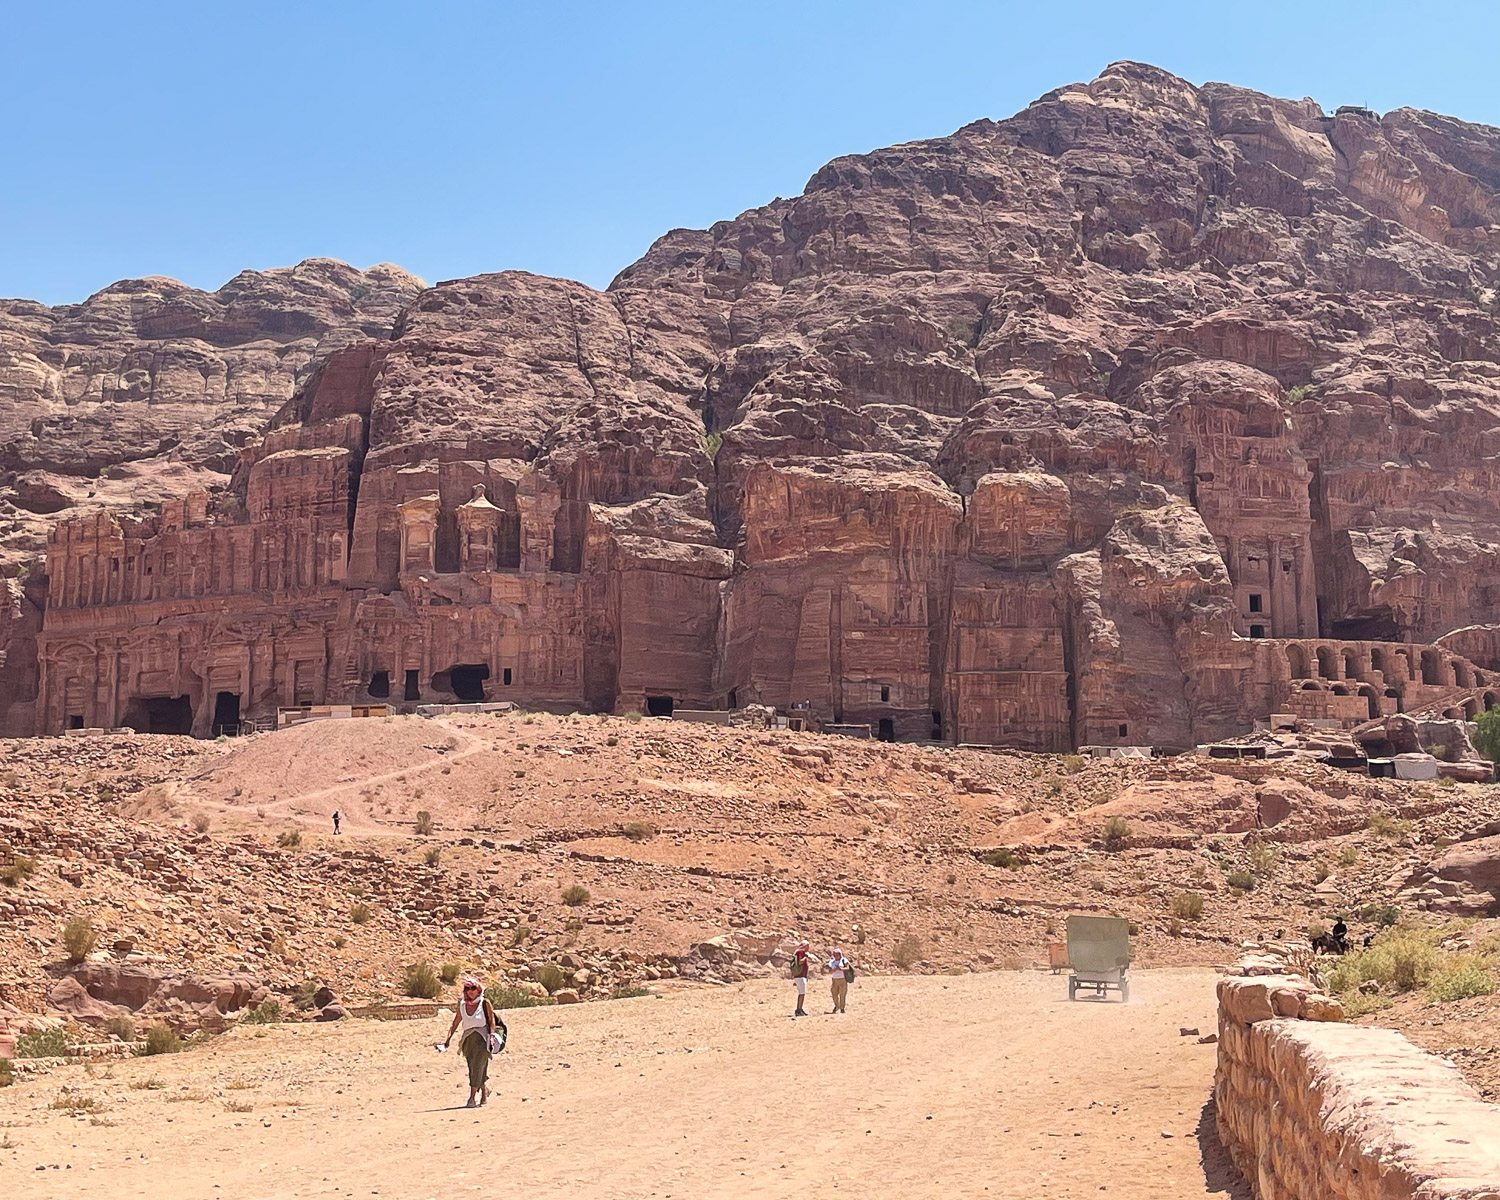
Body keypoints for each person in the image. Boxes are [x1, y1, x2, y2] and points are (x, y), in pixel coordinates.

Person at [441, 978, 495, 1107]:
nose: (470, 992)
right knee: (473, 1067)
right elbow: (455, 1022)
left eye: (473, 989)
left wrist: (492, 1036)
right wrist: (448, 1039)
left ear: (478, 990)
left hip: (482, 1039)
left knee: (477, 1066)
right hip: (468, 1040)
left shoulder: (484, 1003)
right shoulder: (462, 1005)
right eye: (467, 989)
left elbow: (491, 1020)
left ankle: (471, 1098)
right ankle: (484, 1091)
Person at [826, 947, 852, 1013]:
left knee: (842, 994)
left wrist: (841, 969)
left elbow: (847, 968)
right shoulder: (831, 962)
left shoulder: (844, 960)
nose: (836, 956)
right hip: (835, 979)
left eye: (837, 954)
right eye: (834, 954)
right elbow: (829, 971)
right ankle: (837, 1005)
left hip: (842, 979)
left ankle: (842, 1008)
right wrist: (833, 969)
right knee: (834, 993)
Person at [791, 941, 810, 1016]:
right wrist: (806, 957)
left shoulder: (799, 952)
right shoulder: (801, 952)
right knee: (802, 993)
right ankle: (798, 1009)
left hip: (800, 976)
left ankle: (800, 1008)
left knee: (802, 993)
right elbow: (800, 962)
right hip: (800, 976)